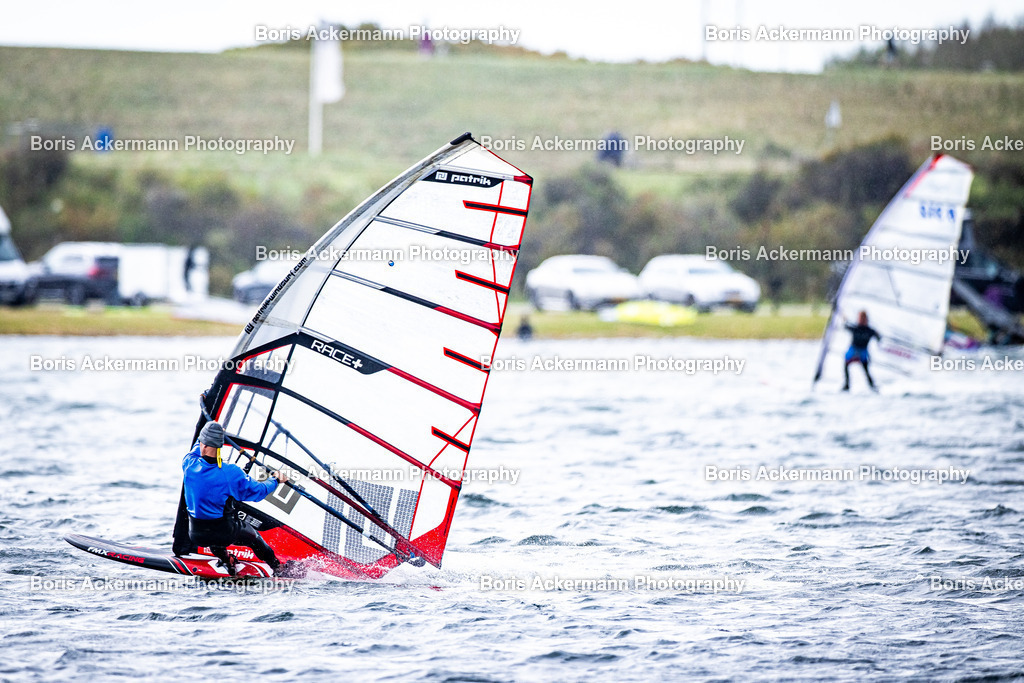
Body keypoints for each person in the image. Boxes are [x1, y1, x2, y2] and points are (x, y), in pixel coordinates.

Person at [183, 421, 301, 577]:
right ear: (220, 446)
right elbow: (258, 492)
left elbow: (199, 445)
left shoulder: (188, 463)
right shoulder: (230, 473)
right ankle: (278, 568)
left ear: (203, 445)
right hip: (224, 532)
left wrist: (213, 432)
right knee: (255, 538)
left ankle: (226, 560)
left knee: (212, 537)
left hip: (196, 534)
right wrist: (275, 480)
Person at [842, 310, 880, 392]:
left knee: (866, 369)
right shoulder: (855, 328)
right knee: (846, 364)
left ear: (866, 319)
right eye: (860, 318)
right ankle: (847, 384)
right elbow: (846, 327)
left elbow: (878, 337)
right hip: (853, 350)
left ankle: (872, 385)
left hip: (862, 352)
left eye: (863, 318)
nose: (861, 320)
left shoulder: (870, 330)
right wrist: (844, 320)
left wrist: (878, 336)